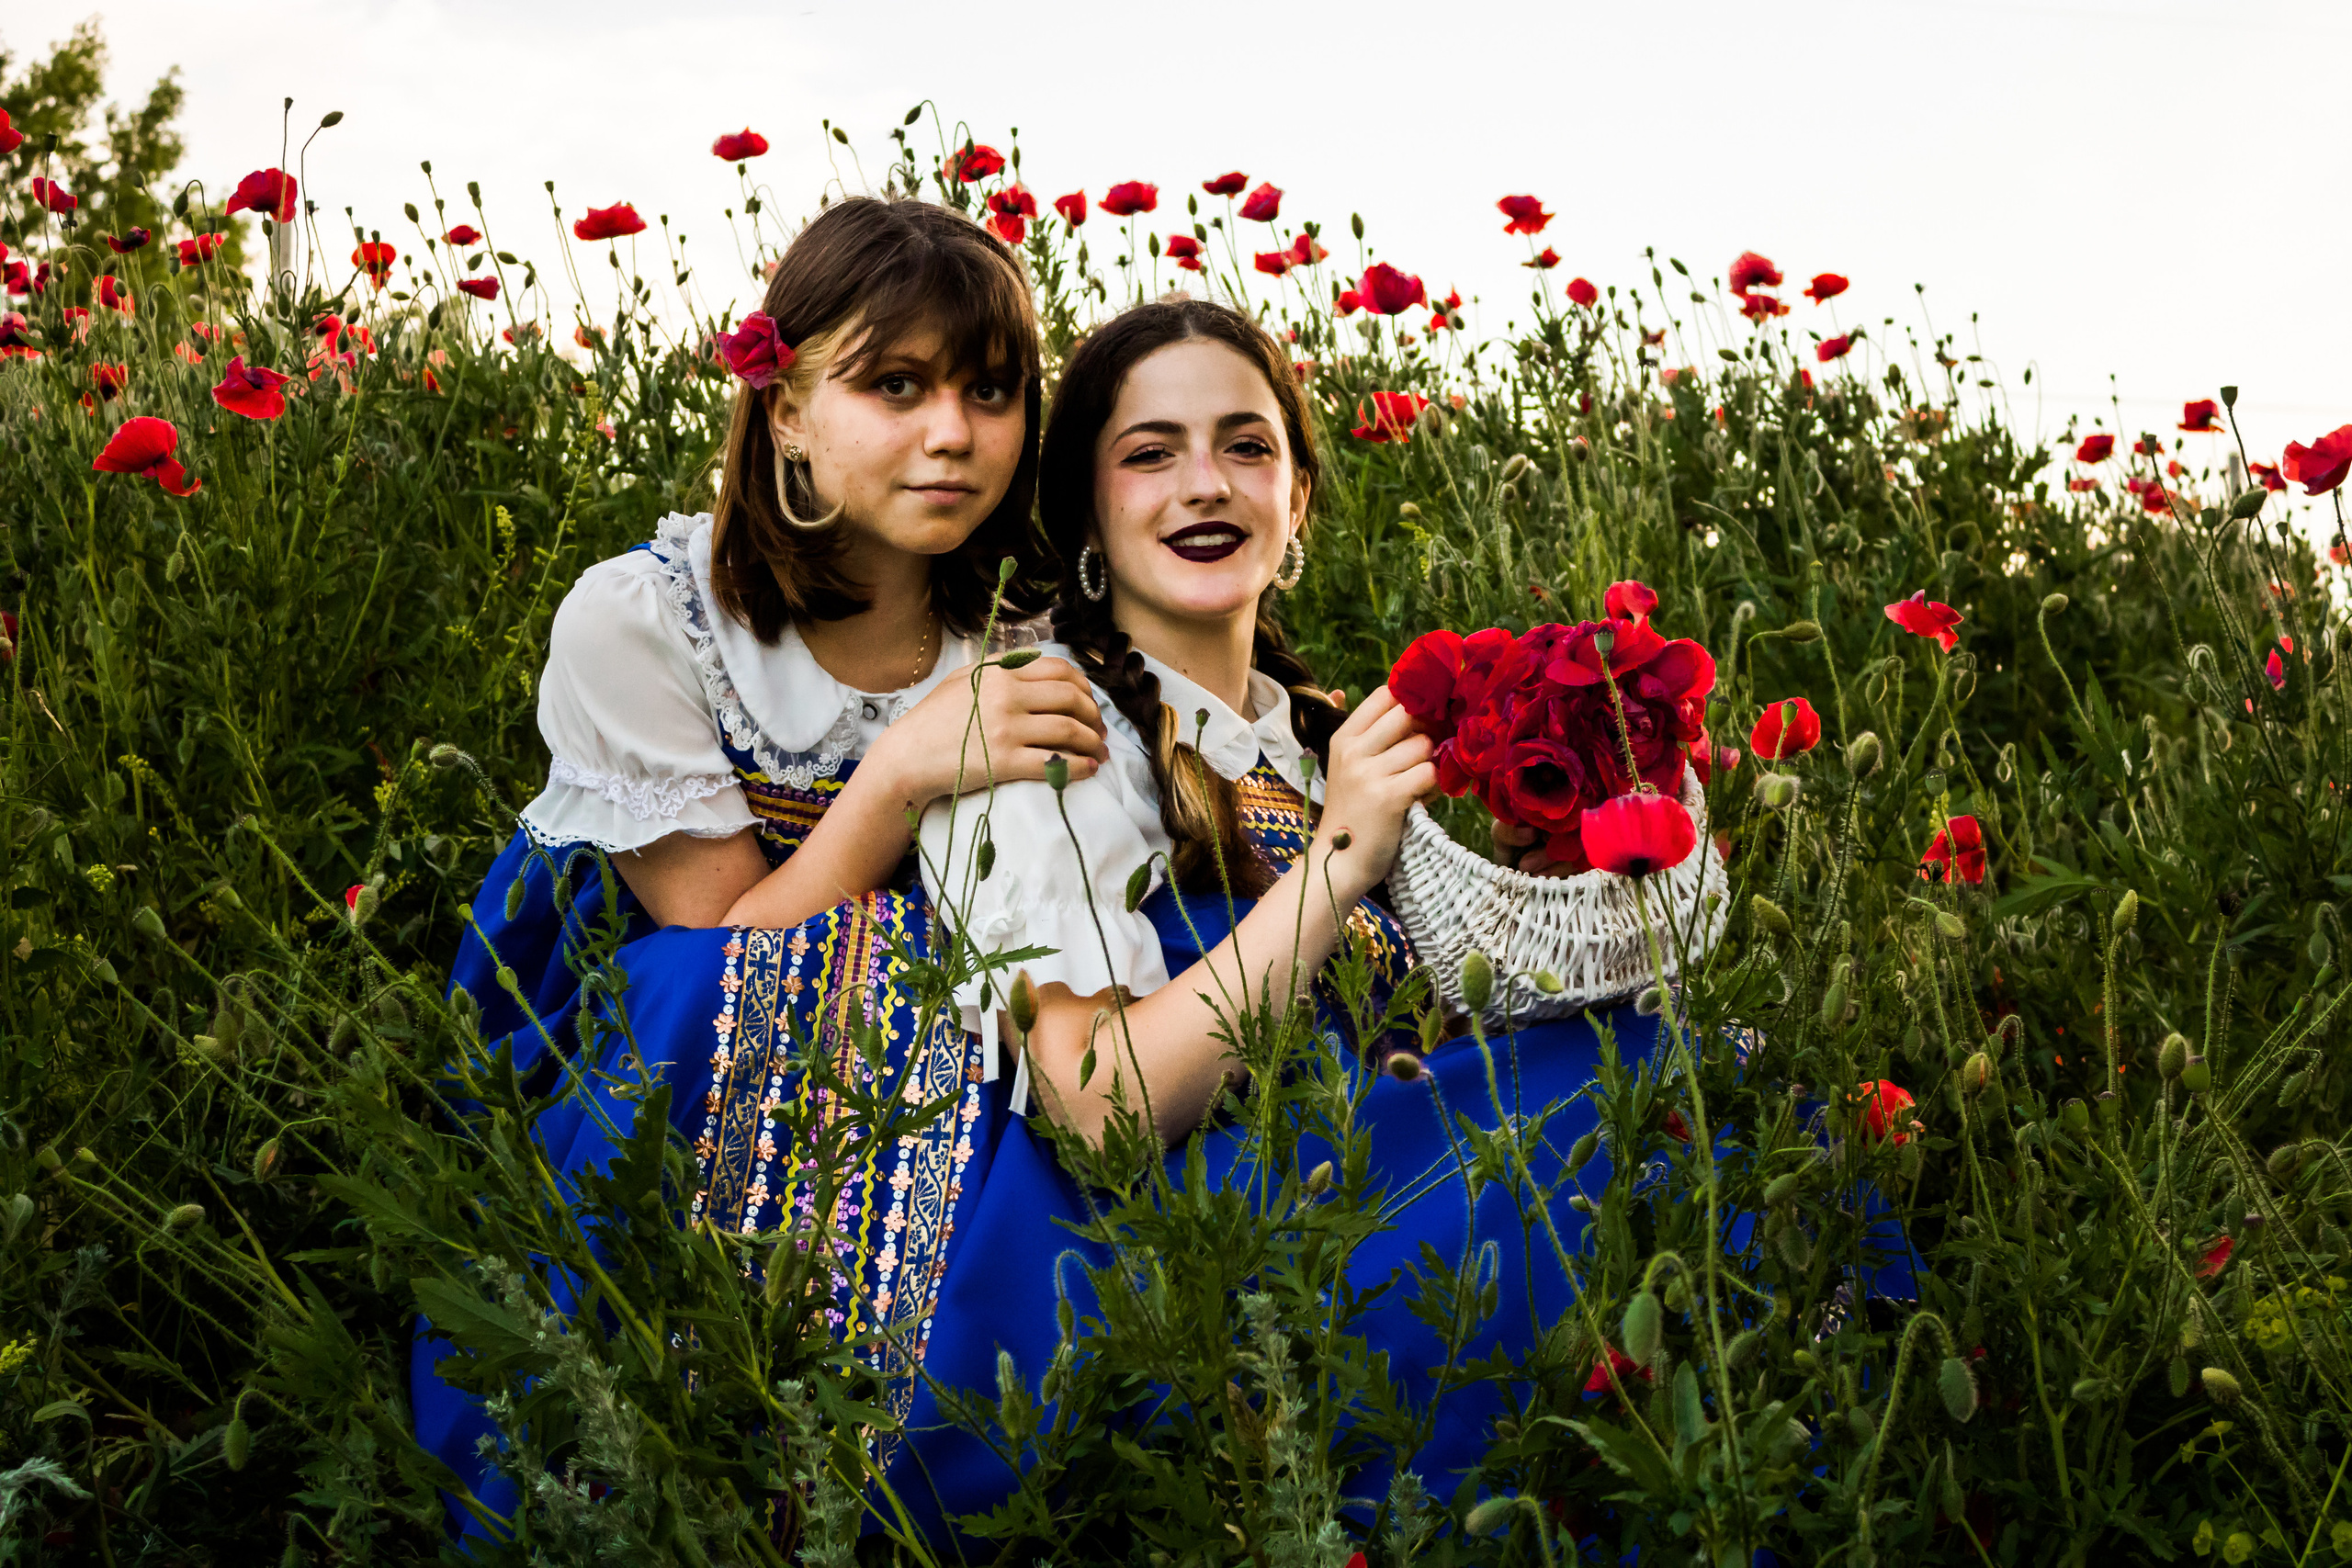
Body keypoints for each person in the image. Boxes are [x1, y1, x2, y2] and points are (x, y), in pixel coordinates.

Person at [907, 297, 1706, 1526]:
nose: (1205, 484)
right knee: (1636, 1091)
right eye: (1149, 452)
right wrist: (1340, 860)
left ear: (1298, 499)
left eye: (1246, 444)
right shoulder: (1039, 721)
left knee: (1682, 1077)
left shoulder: (1313, 732)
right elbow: (1096, 1112)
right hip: (1204, 1230)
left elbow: (1430, 1017)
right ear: (1084, 513)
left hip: (1360, 1147)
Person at [411, 195, 1109, 1537]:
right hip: (653, 1051)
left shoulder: (1023, 634)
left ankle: (921, 1460)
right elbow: (719, 938)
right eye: (893, 385)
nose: (953, 433)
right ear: (784, 405)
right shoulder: (652, 615)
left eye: (991, 389)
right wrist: (906, 769)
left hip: (928, 1059)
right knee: (733, 983)